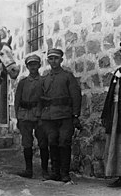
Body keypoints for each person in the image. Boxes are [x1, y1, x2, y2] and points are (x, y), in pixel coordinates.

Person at [40, 49, 82, 182]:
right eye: (51, 58)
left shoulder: (68, 76)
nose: (53, 61)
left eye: (56, 58)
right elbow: (41, 98)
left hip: (65, 116)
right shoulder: (45, 78)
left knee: (64, 142)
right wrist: (41, 115)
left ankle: (64, 173)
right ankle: (55, 172)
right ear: (48, 61)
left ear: (61, 60)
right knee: (52, 142)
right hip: (49, 117)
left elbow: (76, 96)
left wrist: (75, 115)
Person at [15, 54, 49, 179]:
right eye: (30, 65)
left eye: (35, 64)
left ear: (39, 65)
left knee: (43, 142)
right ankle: (28, 170)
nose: (33, 67)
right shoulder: (22, 82)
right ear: (27, 66)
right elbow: (17, 100)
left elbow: (46, 99)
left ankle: (45, 170)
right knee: (27, 143)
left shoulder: (44, 81)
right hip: (25, 115)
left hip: (39, 115)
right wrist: (18, 117)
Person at [102, 66, 121, 187]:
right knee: (117, 142)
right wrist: (106, 113)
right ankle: (120, 175)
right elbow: (111, 94)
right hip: (116, 112)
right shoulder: (118, 72)